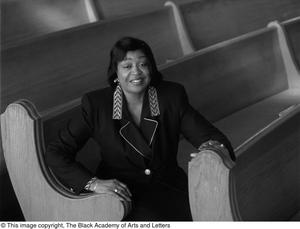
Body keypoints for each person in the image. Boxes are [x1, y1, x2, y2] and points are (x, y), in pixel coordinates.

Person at [46, 37, 235, 221]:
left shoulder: (171, 96)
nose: (136, 72)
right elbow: (55, 152)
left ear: (151, 68)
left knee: (212, 213)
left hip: (169, 187)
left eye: (143, 64)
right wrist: (92, 183)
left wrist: (211, 153)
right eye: (127, 66)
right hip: (122, 195)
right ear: (115, 73)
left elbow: (210, 137)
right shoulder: (97, 104)